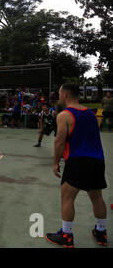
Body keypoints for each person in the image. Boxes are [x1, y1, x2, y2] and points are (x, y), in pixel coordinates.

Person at [45, 83, 107, 248]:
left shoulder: (64, 115)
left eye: (59, 93)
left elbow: (59, 141)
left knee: (67, 198)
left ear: (65, 95)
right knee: (97, 198)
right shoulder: (91, 114)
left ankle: (66, 235)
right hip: (97, 161)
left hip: (77, 161)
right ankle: (101, 232)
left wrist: (55, 163)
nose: (58, 97)